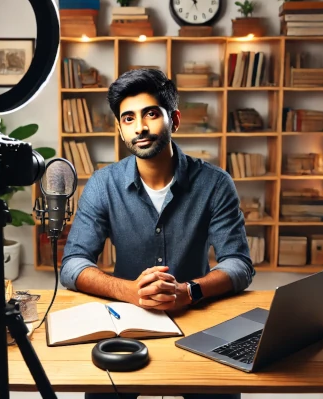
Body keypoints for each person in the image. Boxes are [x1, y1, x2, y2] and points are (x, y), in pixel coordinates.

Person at [60, 68, 254, 399]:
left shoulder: (215, 183)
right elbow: (73, 264)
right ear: (121, 130)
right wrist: (129, 291)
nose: (141, 127)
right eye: (129, 118)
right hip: (126, 319)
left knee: (221, 392)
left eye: (151, 114)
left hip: (197, 313)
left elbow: (238, 263)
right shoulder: (103, 184)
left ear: (174, 120)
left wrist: (190, 291)